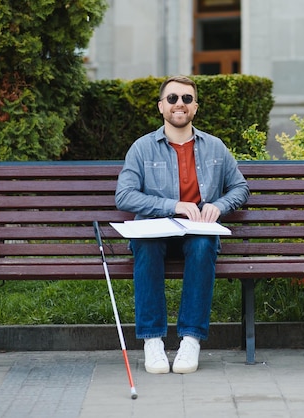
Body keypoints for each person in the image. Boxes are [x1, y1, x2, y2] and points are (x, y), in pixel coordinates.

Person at [114, 75, 250, 374]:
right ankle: (152, 341)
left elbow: (240, 188)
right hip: (154, 230)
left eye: (186, 99)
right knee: (146, 248)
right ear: (161, 106)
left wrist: (219, 205)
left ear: (195, 107)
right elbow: (124, 195)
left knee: (203, 246)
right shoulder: (142, 148)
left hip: (198, 230)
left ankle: (190, 339)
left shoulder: (215, 147)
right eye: (173, 98)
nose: (180, 104)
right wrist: (172, 207)